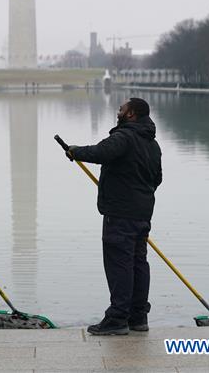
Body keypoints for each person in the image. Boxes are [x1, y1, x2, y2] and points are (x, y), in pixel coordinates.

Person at [67, 97, 162, 336]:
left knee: (119, 264)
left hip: (120, 214)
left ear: (131, 114)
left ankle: (118, 317)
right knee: (138, 263)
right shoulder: (153, 144)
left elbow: (101, 152)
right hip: (142, 213)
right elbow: (156, 179)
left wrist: (75, 151)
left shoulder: (124, 137)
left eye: (122, 108)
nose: (118, 110)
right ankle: (138, 317)